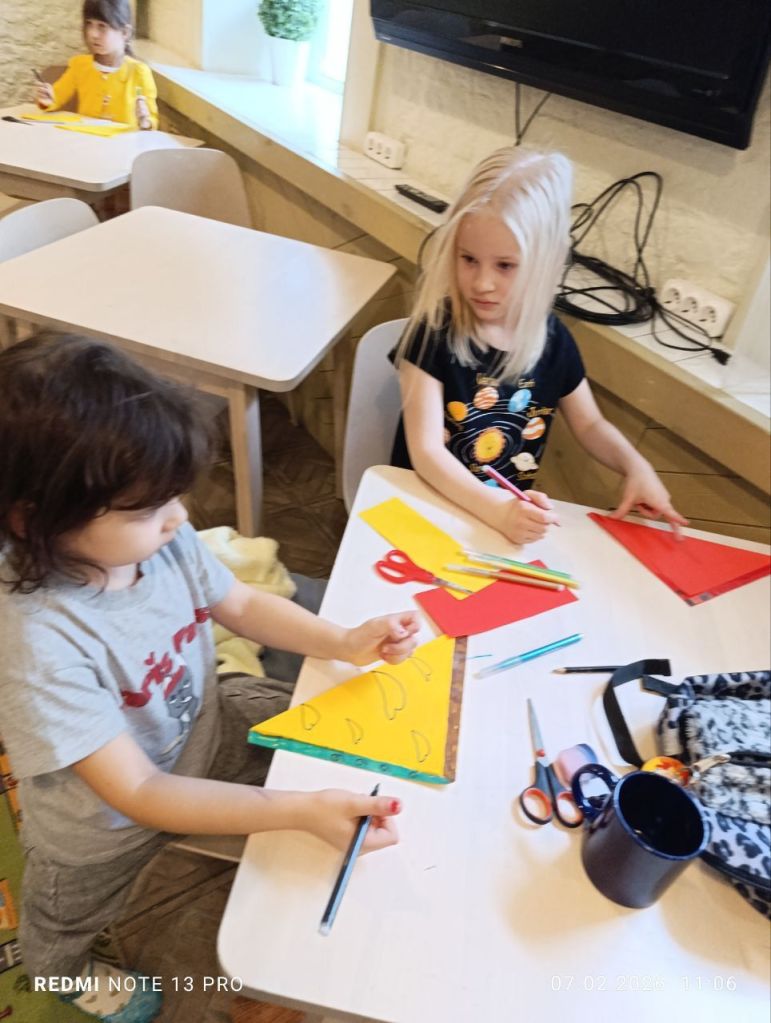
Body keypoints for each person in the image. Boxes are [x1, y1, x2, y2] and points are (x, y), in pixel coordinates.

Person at [0, 333, 419, 1023]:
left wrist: (342, 639)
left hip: (202, 726)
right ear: (36, 519)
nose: (181, 518)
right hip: (102, 826)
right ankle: (60, 975)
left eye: (174, 495)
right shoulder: (38, 642)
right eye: (147, 509)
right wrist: (299, 810)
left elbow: (242, 604)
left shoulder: (161, 543)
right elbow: (139, 793)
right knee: (62, 925)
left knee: (316, 732)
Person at [391, 147, 687, 545]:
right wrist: (497, 510)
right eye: (468, 259)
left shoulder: (553, 341)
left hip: (497, 526)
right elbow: (427, 452)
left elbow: (591, 424)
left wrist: (635, 465)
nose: (482, 283)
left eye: (505, 265)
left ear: (546, 262)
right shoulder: (433, 331)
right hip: (422, 513)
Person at [34, 0, 157, 130]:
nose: (93, 34)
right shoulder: (79, 66)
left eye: (102, 26)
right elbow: (56, 98)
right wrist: (47, 99)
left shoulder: (138, 72)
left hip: (123, 141)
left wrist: (145, 121)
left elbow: (151, 119)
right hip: (86, 139)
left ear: (125, 32)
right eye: (89, 24)